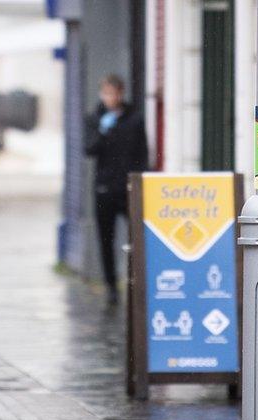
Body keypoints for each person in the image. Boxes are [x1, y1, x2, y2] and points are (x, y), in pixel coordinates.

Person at [85, 74, 148, 305]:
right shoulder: (95, 118)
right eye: (106, 93)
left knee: (136, 236)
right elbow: (89, 149)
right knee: (106, 238)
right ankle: (111, 285)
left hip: (128, 188)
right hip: (104, 188)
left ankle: (135, 281)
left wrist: (140, 182)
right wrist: (102, 131)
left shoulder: (134, 119)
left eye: (113, 93)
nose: (110, 98)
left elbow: (142, 154)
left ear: (121, 93)